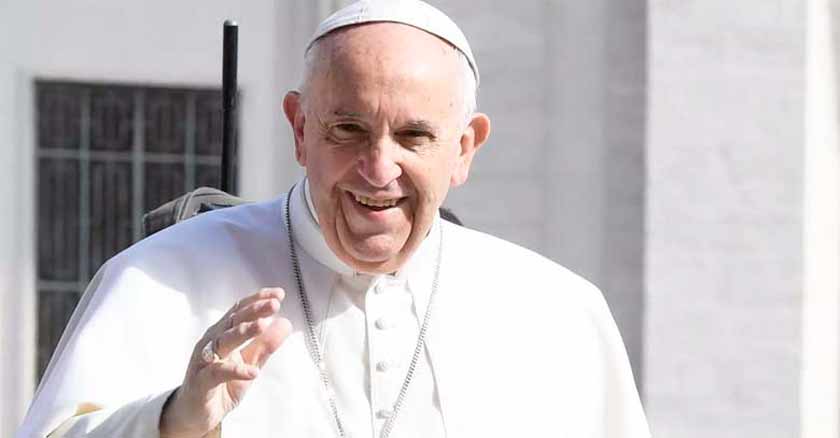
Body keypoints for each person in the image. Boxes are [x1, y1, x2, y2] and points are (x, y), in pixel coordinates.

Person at [17, 1, 651, 437]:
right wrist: (174, 420)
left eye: (413, 136)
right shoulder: (161, 277)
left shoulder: (559, 313)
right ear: (299, 128)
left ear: (464, 149)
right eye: (348, 130)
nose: (378, 169)